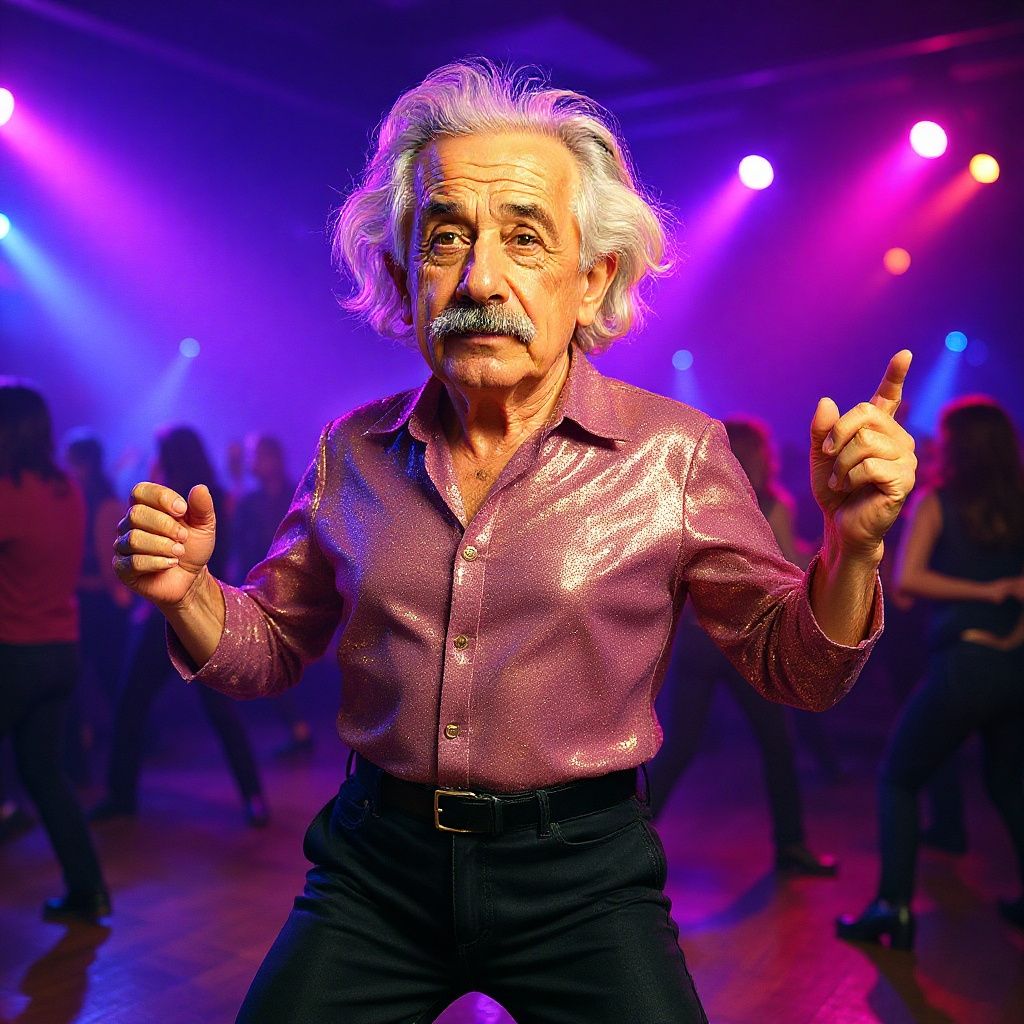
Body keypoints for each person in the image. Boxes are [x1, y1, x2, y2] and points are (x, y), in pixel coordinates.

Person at [113, 62, 916, 1023]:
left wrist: (853, 546)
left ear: (593, 281)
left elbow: (802, 672)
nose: (480, 275)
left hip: (583, 881)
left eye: (524, 238)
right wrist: (187, 592)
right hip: (377, 868)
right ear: (407, 278)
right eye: (446, 237)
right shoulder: (351, 451)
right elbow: (274, 647)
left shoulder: (675, 454)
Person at [837, 396, 1024, 950]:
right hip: (1013, 664)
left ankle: (892, 908)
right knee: (1008, 783)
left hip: (965, 664)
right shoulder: (1018, 500)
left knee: (898, 776)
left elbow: (907, 582)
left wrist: (983, 591)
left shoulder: (938, 500)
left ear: (959, 444)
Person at [649, 417, 837, 876]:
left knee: (679, 747)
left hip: (696, 638)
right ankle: (791, 846)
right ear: (761, 454)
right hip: (741, 640)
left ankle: (630, 839)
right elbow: (786, 567)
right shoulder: (771, 503)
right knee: (777, 746)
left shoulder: (692, 497)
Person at [92, 427, 269, 827]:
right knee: (218, 712)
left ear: (171, 455)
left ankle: (122, 796)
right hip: (208, 612)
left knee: (131, 706)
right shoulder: (218, 496)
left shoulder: (173, 500)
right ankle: (254, 798)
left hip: (170, 616)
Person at [0, 380, 111, 922]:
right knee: (45, 774)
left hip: (14, 654)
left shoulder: (7, 492)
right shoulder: (67, 488)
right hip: (60, 650)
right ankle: (88, 889)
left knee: (39, 774)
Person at [230, 435, 314, 760]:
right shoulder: (250, 502)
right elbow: (241, 546)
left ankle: (300, 728)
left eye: (259, 455)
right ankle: (298, 729)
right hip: (264, 589)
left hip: (298, 589)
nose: (255, 463)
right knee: (273, 659)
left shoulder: (298, 493)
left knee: (288, 659)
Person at [63, 431, 132, 780]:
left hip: (100, 606)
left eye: (71, 460)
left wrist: (73, 582)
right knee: (101, 679)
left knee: (107, 679)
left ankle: (130, 747)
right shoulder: (81, 498)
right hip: (91, 604)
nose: (65, 466)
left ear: (84, 463)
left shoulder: (103, 503)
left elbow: (110, 569)